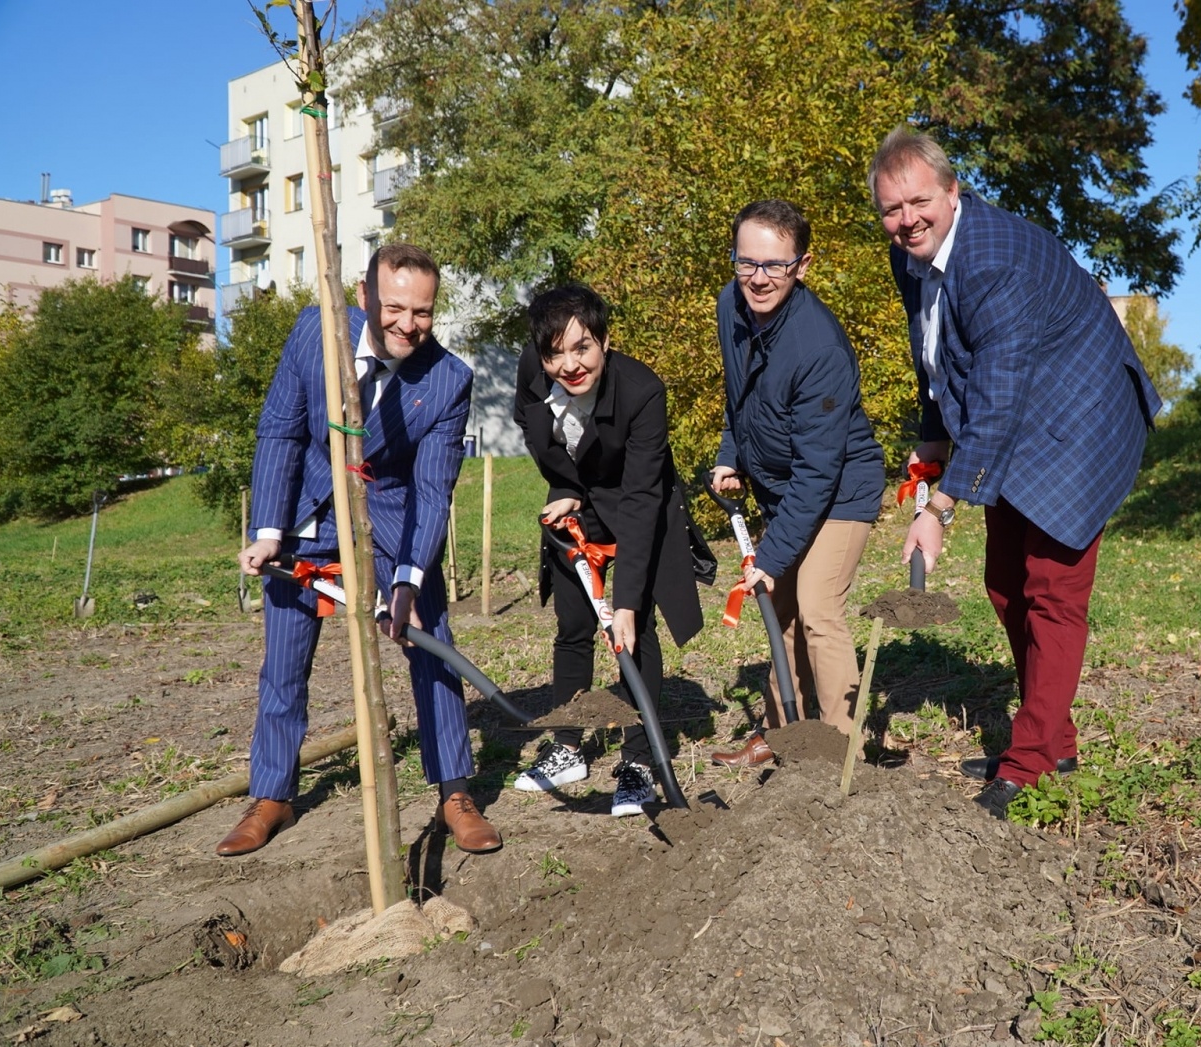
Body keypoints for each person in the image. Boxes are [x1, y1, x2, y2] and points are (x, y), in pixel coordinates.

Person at [869, 127, 1162, 819]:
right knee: (1006, 583)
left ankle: (1028, 763)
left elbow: (997, 400)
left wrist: (940, 510)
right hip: (1019, 413)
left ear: (952, 191)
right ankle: (1054, 741)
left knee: (1052, 591)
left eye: (919, 202)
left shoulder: (995, 261)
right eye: (891, 209)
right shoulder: (910, 256)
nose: (907, 219)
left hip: (1081, 417)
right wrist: (933, 444)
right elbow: (936, 356)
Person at [219, 243, 501, 856]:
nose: (408, 324)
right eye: (395, 308)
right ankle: (272, 795)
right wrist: (268, 530)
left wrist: (407, 581)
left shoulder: (448, 379)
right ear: (367, 295)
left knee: (431, 645)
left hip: (393, 518)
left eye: (422, 312)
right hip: (309, 511)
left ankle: (454, 791)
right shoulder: (316, 332)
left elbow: (432, 488)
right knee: (283, 664)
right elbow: (281, 430)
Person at [510, 284, 710, 816]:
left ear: (604, 339)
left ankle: (639, 761)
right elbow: (529, 422)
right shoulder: (533, 369)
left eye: (583, 348)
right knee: (573, 625)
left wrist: (624, 602)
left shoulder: (643, 392)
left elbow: (643, 498)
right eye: (556, 353)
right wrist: (564, 484)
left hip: (636, 500)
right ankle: (567, 747)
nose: (570, 364)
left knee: (634, 628)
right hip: (579, 498)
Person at [708, 199, 886, 767]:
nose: (758, 278)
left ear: (802, 265)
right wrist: (730, 455)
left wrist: (771, 555)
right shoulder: (731, 305)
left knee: (816, 609)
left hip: (841, 488)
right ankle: (783, 736)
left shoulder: (818, 347)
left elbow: (819, 470)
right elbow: (739, 393)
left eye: (775, 265)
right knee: (780, 610)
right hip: (788, 491)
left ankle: (840, 750)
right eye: (747, 262)